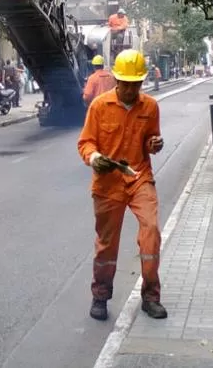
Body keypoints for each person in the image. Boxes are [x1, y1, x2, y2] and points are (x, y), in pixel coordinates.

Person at [77, 50, 166, 322]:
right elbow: (86, 142)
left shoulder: (150, 107)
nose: (129, 89)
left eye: (135, 84)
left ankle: (151, 297)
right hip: (108, 183)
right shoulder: (100, 106)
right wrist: (94, 158)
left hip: (139, 177)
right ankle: (100, 295)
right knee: (107, 244)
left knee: (150, 231)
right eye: (125, 83)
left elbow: (151, 140)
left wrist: (154, 144)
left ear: (141, 82)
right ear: (116, 79)